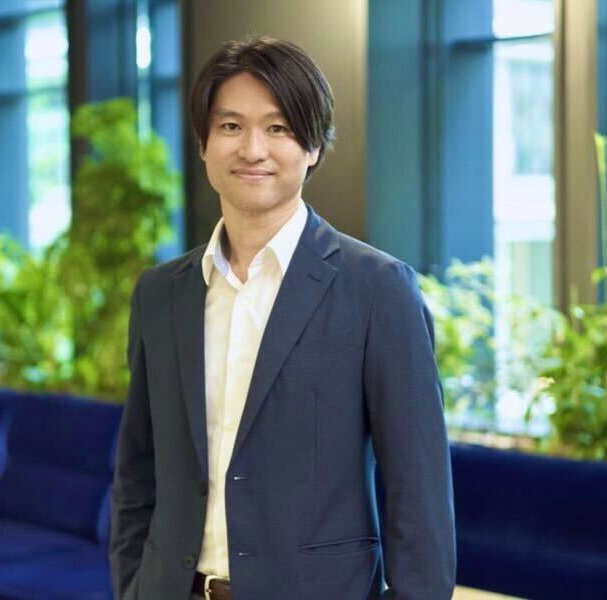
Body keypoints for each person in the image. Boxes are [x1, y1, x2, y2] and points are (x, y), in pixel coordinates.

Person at [109, 35, 456, 600]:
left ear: (313, 146)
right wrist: (132, 586)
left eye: (278, 128)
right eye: (230, 126)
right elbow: (137, 471)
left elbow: (418, 501)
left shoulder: (377, 290)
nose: (253, 149)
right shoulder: (160, 294)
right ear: (203, 143)